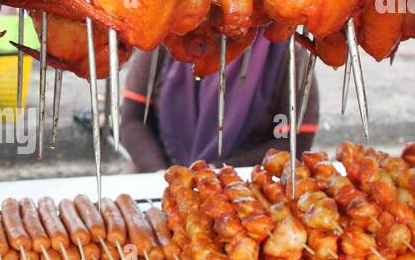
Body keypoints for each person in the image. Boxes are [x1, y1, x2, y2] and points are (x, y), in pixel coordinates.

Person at [119, 34, 319, 172]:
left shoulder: (285, 51)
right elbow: (133, 119)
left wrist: (216, 172)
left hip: (250, 179)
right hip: (164, 169)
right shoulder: (167, 39)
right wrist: (159, 172)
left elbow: (293, 142)